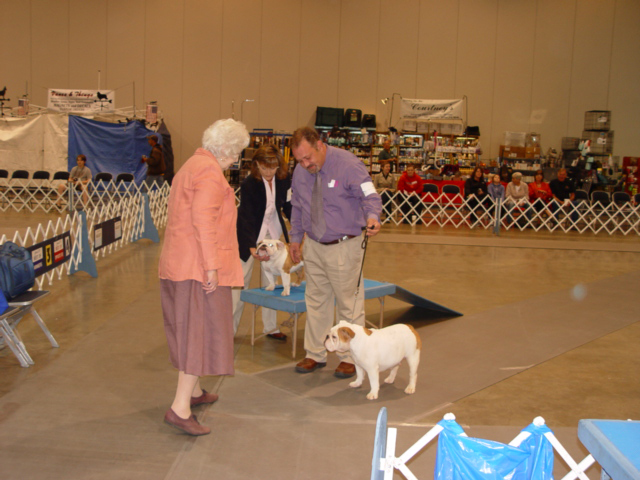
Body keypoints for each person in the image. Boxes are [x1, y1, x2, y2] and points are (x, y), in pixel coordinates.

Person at [158, 119, 249, 436]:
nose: (236, 159)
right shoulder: (210, 172)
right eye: (236, 152)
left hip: (178, 264)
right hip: (197, 269)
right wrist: (212, 267)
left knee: (189, 333)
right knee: (197, 335)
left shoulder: (191, 164)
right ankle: (180, 408)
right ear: (227, 149)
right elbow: (203, 222)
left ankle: (194, 394)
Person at [288, 127, 381, 377]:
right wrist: (295, 239)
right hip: (314, 245)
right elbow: (297, 205)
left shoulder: (348, 164)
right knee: (316, 301)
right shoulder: (300, 171)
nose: (305, 164)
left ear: (320, 145)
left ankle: (350, 356)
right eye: (300, 160)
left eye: (308, 158)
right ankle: (315, 353)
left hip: (345, 245)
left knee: (348, 305)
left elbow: (370, 196)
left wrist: (373, 217)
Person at [232, 145, 292, 340]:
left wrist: (297, 233)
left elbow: (289, 206)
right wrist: (251, 246)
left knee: (272, 282)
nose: (268, 172)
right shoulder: (250, 183)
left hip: (273, 236)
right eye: (264, 168)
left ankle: (271, 328)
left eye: (273, 168)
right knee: (240, 282)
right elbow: (246, 216)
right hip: (249, 235)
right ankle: (228, 330)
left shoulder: (284, 180)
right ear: (256, 164)